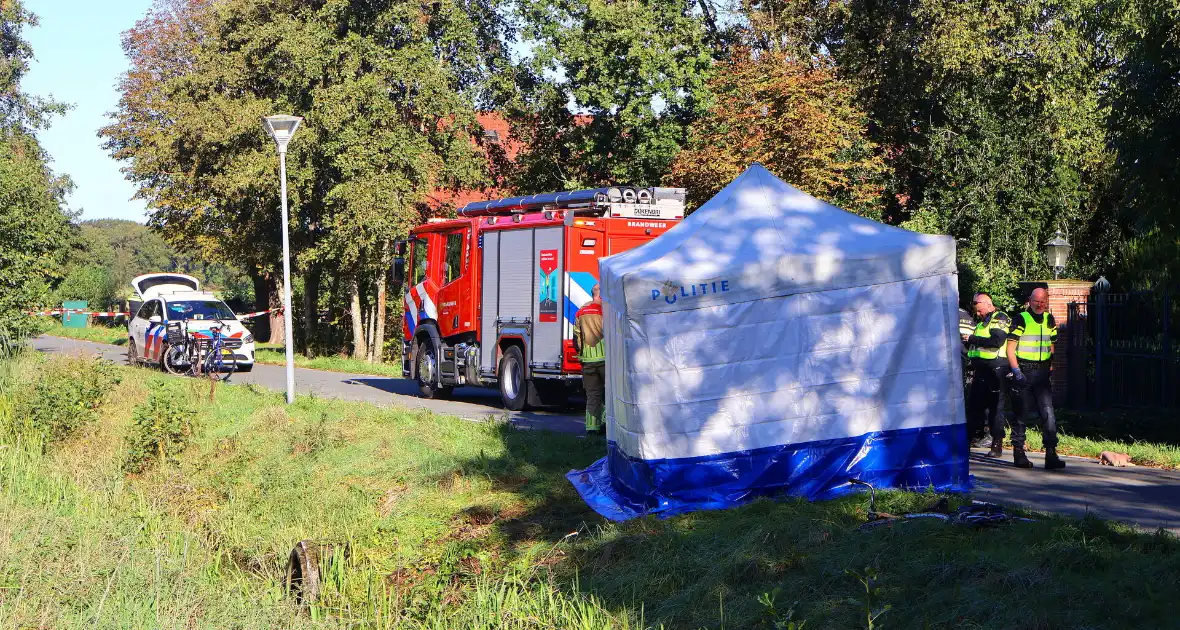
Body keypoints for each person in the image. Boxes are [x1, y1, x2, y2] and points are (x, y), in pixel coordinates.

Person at [1006, 287, 1064, 469]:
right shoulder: (1021, 318)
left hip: (1042, 373)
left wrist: (1051, 366)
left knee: (1048, 414)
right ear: (1029, 301)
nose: (1039, 304)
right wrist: (1016, 371)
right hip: (1024, 371)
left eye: (1042, 301)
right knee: (1021, 413)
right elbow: (1010, 348)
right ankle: (1019, 453)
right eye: (1035, 301)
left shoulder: (1049, 319)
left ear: (1046, 302)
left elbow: (1051, 345)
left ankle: (1051, 453)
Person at [964, 293, 1011, 457]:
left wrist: (972, 339)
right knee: (974, 408)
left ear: (987, 304)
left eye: (979, 310)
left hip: (996, 370)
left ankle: (997, 444)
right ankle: (967, 442)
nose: (978, 314)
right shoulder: (982, 323)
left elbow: (996, 341)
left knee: (995, 408)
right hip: (980, 370)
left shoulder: (1000, 318)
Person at [574, 284, 606, 435]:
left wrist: (581, 353)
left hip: (588, 360)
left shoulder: (581, 311)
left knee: (592, 396)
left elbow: (577, 337)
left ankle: (592, 429)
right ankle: (607, 426)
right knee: (609, 394)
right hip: (605, 360)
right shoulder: (605, 310)